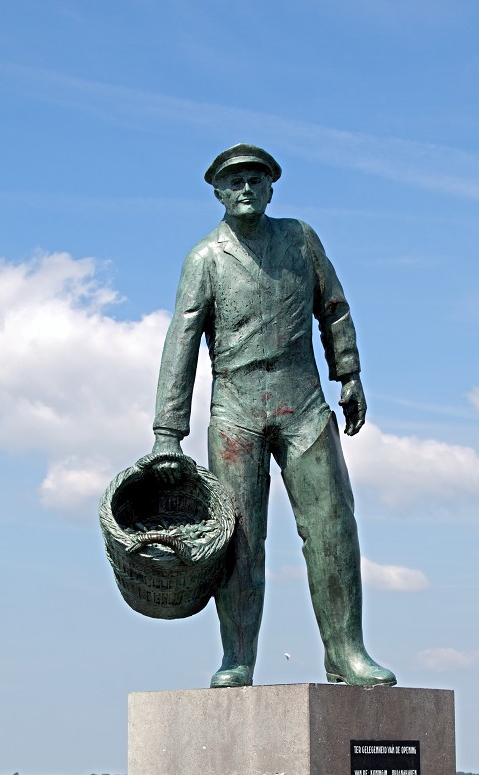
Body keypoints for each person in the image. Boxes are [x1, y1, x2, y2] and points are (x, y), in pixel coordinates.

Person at [152, 143, 396, 689]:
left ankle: (346, 652)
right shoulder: (206, 259)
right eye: (233, 182)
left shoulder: (300, 239)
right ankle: (237, 656)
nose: (244, 190)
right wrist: (168, 432)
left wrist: (349, 373)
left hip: (303, 402)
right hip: (235, 408)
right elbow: (181, 342)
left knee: (333, 527)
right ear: (216, 191)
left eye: (255, 181)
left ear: (270, 188)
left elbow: (332, 306)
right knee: (238, 537)